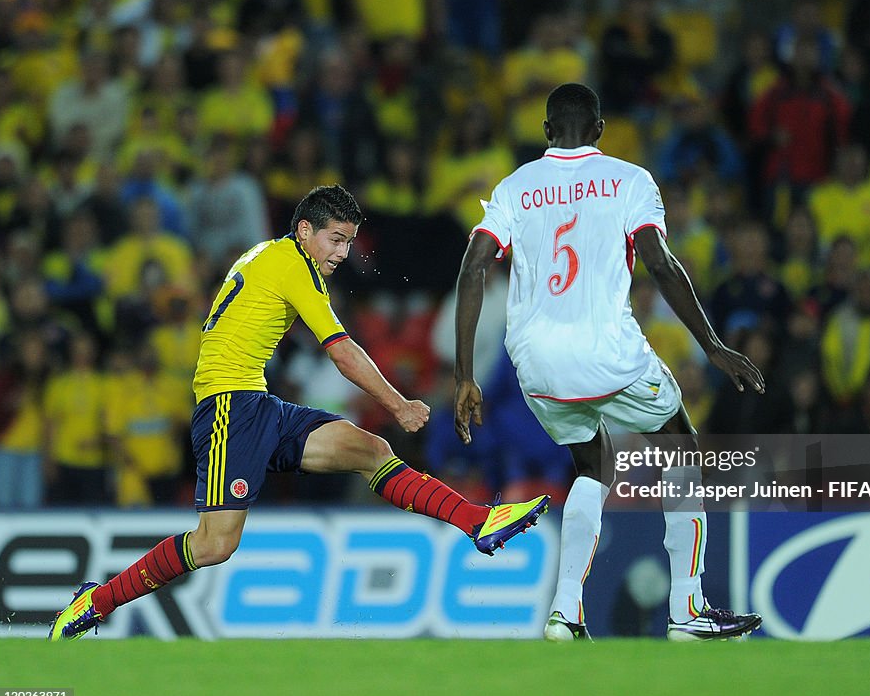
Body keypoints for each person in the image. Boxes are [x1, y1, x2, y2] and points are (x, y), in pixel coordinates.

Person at [49, 185, 549, 641]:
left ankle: (477, 521)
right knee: (214, 544)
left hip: (256, 402)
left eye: (350, 242)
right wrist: (398, 404)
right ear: (305, 230)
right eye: (335, 239)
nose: (342, 253)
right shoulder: (293, 264)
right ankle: (95, 602)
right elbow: (341, 350)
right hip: (228, 407)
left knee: (371, 451)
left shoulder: (271, 255)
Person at [453, 84, 764, 641]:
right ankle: (688, 608)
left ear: (548, 131)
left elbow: (473, 268)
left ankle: (565, 612)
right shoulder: (630, 180)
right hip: (606, 350)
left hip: (537, 362)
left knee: (594, 465)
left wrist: (464, 375)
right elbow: (660, 265)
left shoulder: (514, 186)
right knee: (682, 448)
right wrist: (712, 345)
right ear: (599, 129)